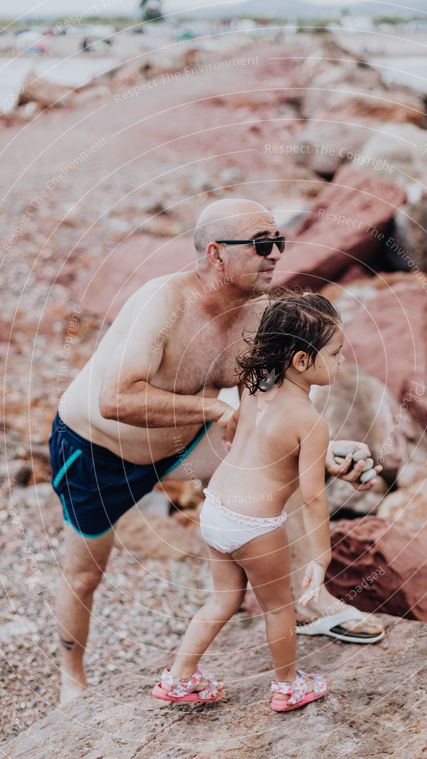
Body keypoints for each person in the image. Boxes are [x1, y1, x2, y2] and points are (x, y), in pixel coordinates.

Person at [49, 198, 383, 705]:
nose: (274, 255)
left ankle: (313, 602)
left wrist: (326, 451)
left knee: (279, 471)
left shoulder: (259, 317)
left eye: (279, 243)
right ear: (215, 253)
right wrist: (212, 412)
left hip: (179, 445)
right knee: (85, 573)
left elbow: (274, 408)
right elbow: (115, 399)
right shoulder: (164, 302)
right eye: (261, 245)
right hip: (97, 450)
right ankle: (71, 678)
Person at [152, 292, 345, 711]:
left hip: (216, 509)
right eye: (336, 353)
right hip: (254, 526)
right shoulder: (310, 422)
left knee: (224, 598)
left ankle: (178, 678)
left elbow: (244, 433)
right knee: (279, 607)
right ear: (301, 361)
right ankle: (288, 686)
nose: (342, 361)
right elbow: (312, 496)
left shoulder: (255, 390)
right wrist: (321, 557)